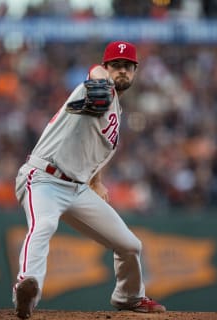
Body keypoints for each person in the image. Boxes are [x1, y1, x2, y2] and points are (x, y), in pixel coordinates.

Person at [12, 41, 166, 319]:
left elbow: (95, 149)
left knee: (130, 246)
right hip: (43, 178)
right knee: (44, 224)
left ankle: (129, 296)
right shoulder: (95, 87)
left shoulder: (116, 112)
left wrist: (96, 181)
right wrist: (100, 78)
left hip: (77, 188)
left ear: (134, 72)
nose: (121, 71)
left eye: (127, 67)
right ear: (107, 67)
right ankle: (27, 289)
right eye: (116, 65)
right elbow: (94, 72)